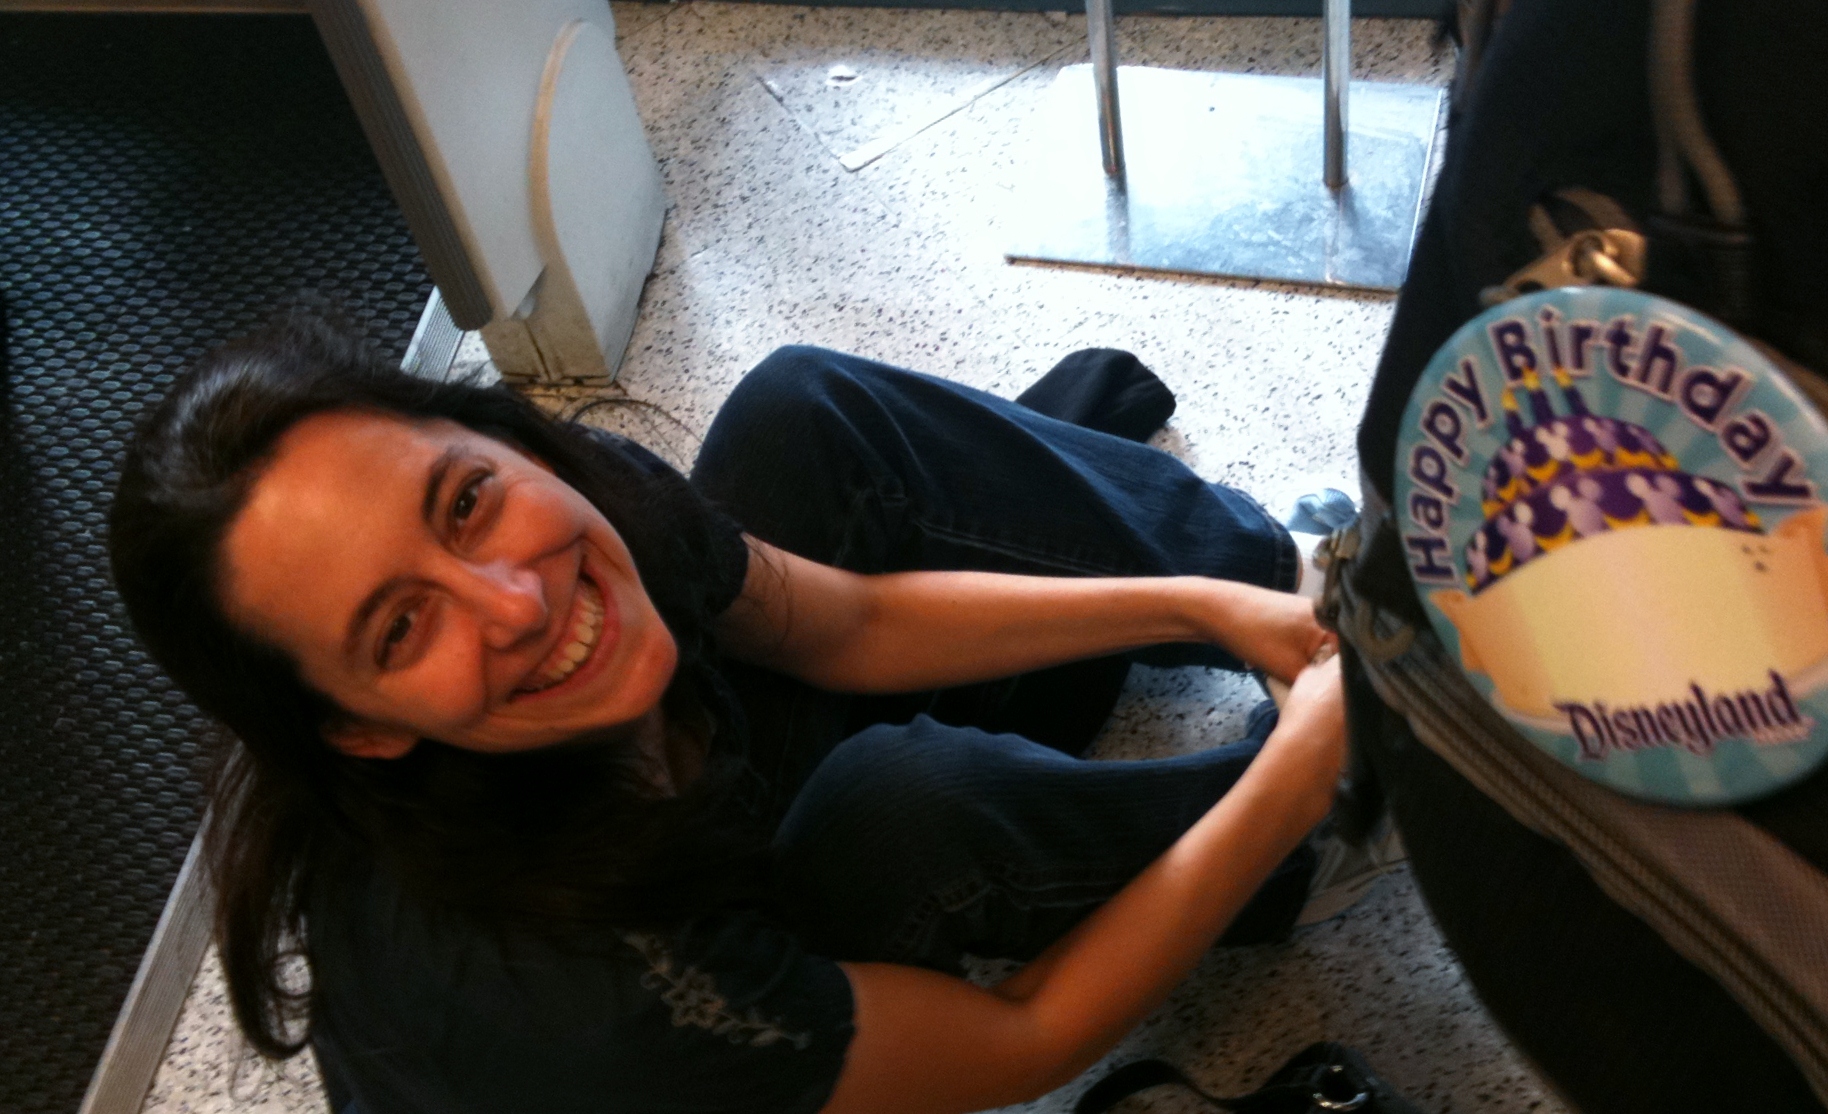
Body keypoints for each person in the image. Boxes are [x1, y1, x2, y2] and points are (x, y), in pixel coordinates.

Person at [108, 311, 1349, 1114]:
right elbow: (1026, 1034)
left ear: (492, 439)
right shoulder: (574, 1000)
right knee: (899, 805)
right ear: (360, 729)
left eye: (463, 502)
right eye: (399, 628)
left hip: (678, 833)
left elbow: (848, 623)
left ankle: (1291, 586)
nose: (515, 600)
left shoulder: (571, 501)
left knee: (801, 412)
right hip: (686, 1058)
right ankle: (1333, 812)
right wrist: (1292, 776)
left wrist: (1202, 606)